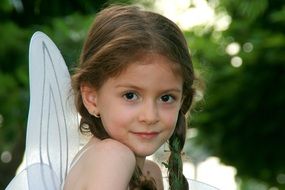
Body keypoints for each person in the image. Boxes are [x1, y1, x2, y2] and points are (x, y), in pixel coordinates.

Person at [63, 4, 196, 190]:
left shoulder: (150, 172)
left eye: (166, 98)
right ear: (92, 98)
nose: (150, 116)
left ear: (182, 100)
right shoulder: (112, 157)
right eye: (130, 95)